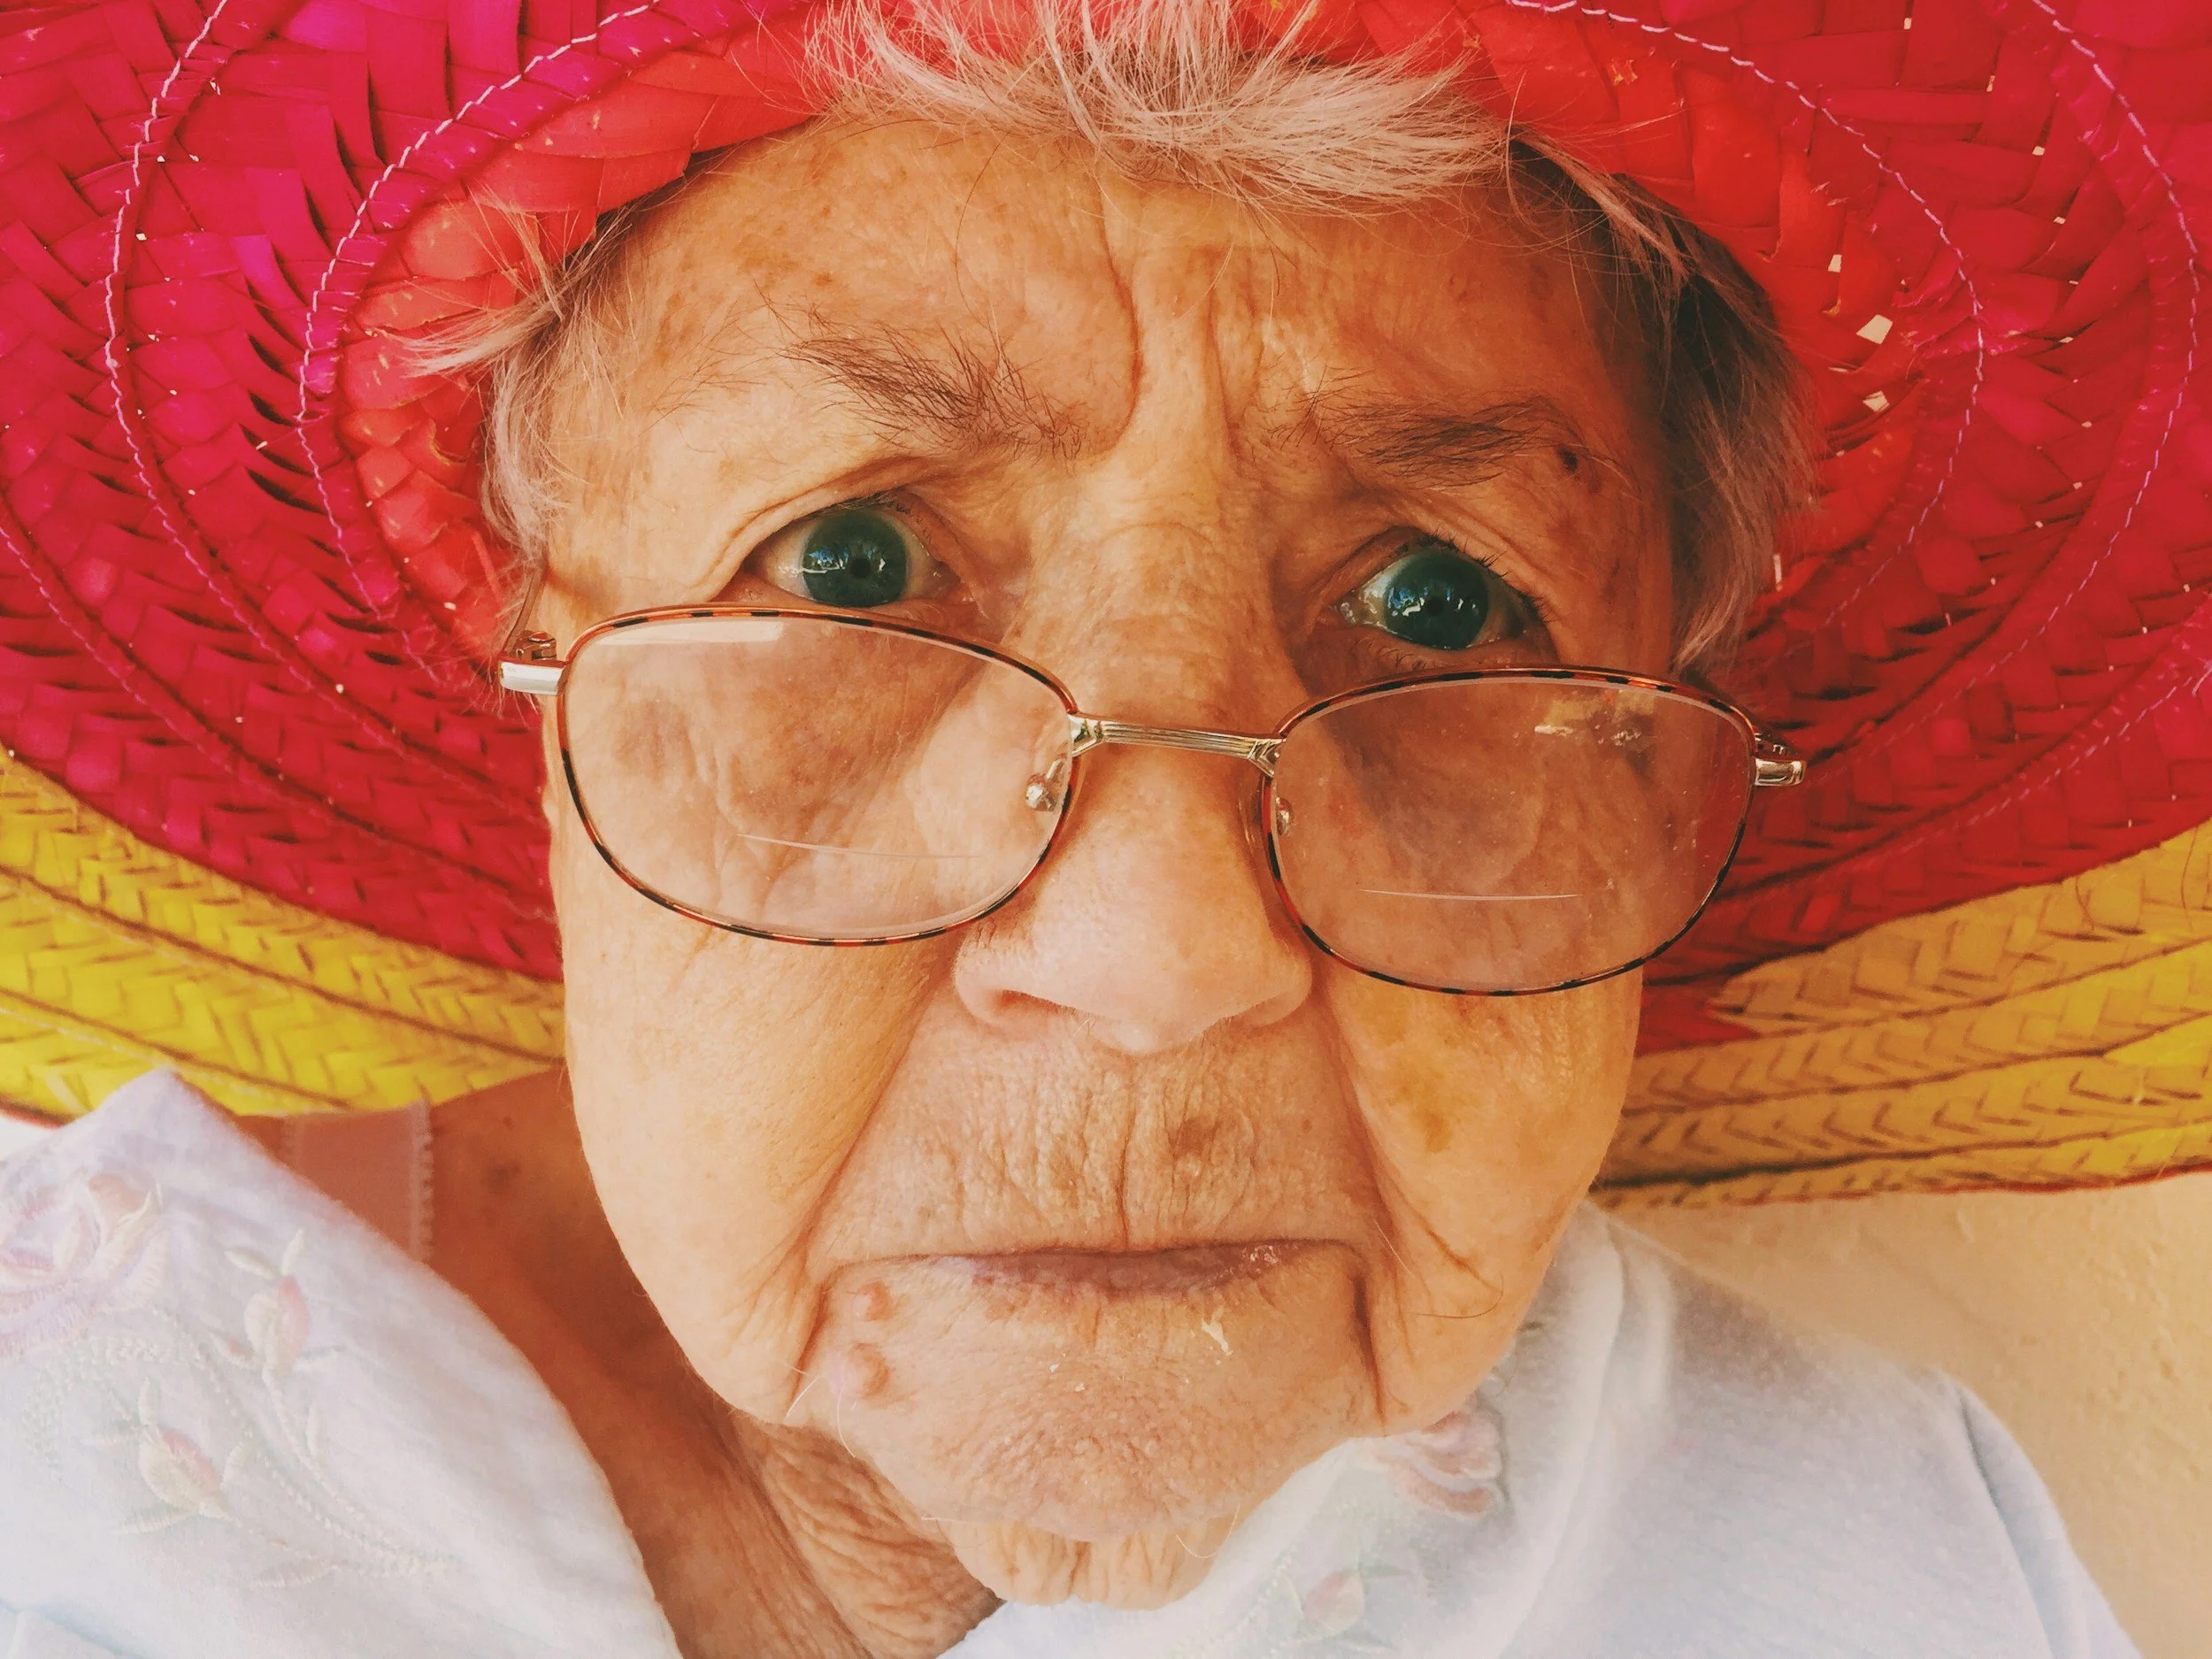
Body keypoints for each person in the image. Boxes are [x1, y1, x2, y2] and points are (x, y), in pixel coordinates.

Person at [0, 0, 2181, 1653]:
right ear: (551, 695)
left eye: (1439, 601)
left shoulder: (1855, 1547)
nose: (1159, 959)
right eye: (847, 566)